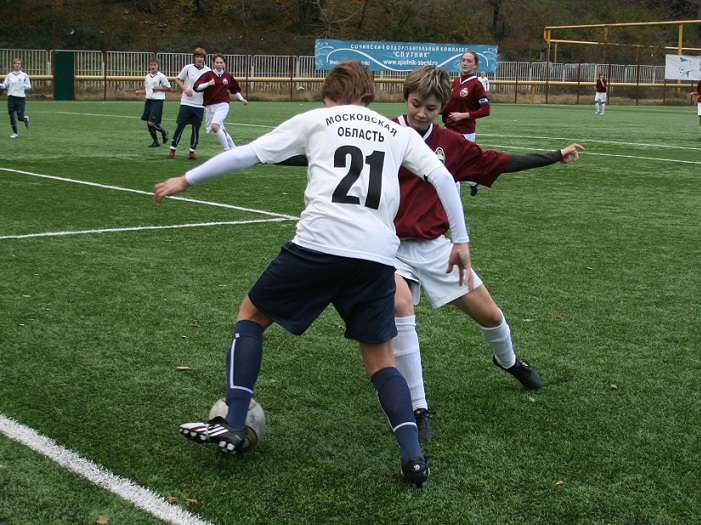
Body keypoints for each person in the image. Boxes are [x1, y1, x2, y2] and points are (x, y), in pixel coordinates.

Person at [153, 59, 472, 488]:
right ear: (369, 97)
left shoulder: (319, 118)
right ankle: (413, 457)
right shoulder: (397, 132)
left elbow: (246, 154)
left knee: (251, 316)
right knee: (381, 360)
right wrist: (461, 241)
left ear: (330, 96)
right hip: (378, 255)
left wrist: (186, 180)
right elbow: (445, 179)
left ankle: (233, 418)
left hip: (320, 244)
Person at [391, 65, 584, 441]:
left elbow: (499, 162)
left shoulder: (452, 143)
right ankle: (417, 407)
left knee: (491, 315)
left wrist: (554, 155)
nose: (421, 113)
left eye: (431, 108)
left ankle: (508, 361)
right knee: (401, 308)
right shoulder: (382, 133)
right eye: (416, 104)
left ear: (441, 107)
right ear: (405, 98)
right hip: (387, 247)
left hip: (434, 247)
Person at [441, 50, 490, 196]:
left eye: (469, 61)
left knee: (451, 168)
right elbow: (450, 106)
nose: (465, 63)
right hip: (450, 129)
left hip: (465, 132)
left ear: (475, 65)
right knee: (451, 167)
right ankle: (473, 181)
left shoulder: (476, 85)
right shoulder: (456, 82)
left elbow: (485, 110)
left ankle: (454, 207)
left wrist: (464, 115)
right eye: (463, 60)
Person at [194, 54, 248, 151]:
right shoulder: (208, 75)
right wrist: (208, 84)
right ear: (213, 63)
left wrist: (241, 99)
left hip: (223, 105)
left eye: (221, 62)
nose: (219, 64)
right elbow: (197, 87)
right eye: (217, 62)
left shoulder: (227, 76)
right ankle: (234, 148)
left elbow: (234, 89)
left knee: (215, 126)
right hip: (210, 106)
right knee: (222, 130)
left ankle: (226, 149)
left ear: (224, 64)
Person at [168, 48, 211, 160]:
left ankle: (192, 152)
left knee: (196, 129)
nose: (199, 59)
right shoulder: (188, 68)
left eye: (201, 57)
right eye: (197, 56)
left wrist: (206, 90)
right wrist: (185, 89)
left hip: (199, 105)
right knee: (181, 126)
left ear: (204, 58)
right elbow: (177, 79)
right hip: (186, 103)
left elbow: (211, 86)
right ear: (194, 58)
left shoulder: (208, 71)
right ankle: (173, 150)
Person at [135, 57, 171, 147]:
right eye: (151, 65)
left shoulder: (161, 77)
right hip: (149, 101)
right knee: (148, 122)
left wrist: (159, 88)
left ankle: (164, 132)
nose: (153, 66)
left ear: (158, 66)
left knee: (151, 122)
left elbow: (169, 88)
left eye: (154, 65)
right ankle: (156, 142)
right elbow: (147, 90)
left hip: (157, 101)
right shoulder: (147, 77)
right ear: (149, 66)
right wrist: (139, 92)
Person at [0, 58, 31, 139]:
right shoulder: (9, 75)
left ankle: (25, 119)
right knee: (11, 115)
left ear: (20, 65)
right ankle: (15, 132)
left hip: (20, 98)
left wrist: (24, 86)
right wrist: (1, 85)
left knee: (20, 117)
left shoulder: (24, 75)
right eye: (15, 63)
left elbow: (29, 86)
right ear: (13, 65)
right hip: (11, 97)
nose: (17, 65)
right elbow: (5, 85)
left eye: (19, 63)